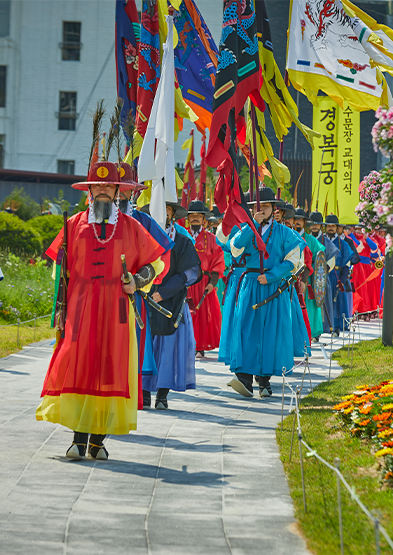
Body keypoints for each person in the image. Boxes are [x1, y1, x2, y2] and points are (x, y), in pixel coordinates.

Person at [36, 161, 165, 460]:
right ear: (90, 191)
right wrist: (60, 310)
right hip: (80, 312)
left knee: (110, 371)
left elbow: (157, 263)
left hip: (116, 312)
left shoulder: (132, 227)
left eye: (109, 186)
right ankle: (78, 438)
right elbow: (60, 272)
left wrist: (137, 281)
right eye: (98, 185)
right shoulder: (73, 225)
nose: (103, 190)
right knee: (78, 367)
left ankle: (98, 441)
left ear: (118, 190)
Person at [227, 187, 304, 398]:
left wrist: (272, 275)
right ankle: (243, 377)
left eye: (266, 206)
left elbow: (294, 261)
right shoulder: (246, 229)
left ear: (274, 209)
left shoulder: (284, 232)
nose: (261, 210)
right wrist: (251, 226)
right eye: (257, 207)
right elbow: (235, 249)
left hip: (271, 287)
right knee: (244, 328)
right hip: (250, 284)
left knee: (269, 331)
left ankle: (264, 380)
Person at [118, 163, 174, 409]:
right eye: (114, 188)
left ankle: (136, 393)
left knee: (133, 348)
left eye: (125, 189)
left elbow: (160, 259)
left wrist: (138, 280)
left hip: (132, 298)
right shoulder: (88, 222)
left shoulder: (143, 222)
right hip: (95, 297)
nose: (119, 194)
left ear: (135, 193)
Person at [141, 201, 201, 409]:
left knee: (168, 350)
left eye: (166, 209)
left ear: (173, 214)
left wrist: (164, 293)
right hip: (145, 300)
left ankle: (163, 395)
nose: (161, 212)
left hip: (172, 302)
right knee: (146, 346)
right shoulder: (142, 238)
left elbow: (190, 273)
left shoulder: (183, 241)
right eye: (158, 208)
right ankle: (144, 393)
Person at [186, 200, 225, 358]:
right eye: (192, 216)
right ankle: (187, 343)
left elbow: (218, 260)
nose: (195, 219)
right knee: (187, 313)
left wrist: (212, 282)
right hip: (186, 281)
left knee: (202, 314)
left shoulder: (211, 238)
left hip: (204, 282)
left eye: (198, 216)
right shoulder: (182, 235)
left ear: (204, 220)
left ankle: (199, 346)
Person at [294, 209, 327, 342]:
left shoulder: (311, 240)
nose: (297, 222)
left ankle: (311, 333)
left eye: (300, 220)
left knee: (309, 306)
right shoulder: (288, 235)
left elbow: (320, 255)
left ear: (304, 222)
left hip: (308, 276)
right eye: (295, 219)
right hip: (291, 275)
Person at [307, 210, 339, 337]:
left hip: (321, 276)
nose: (315, 226)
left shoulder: (326, 242)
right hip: (307, 275)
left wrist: (322, 269)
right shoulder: (306, 239)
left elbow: (331, 260)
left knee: (320, 303)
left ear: (321, 226)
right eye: (312, 223)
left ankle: (318, 332)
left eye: (317, 224)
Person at [325, 214, 354, 334]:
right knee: (323, 302)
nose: (330, 228)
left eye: (333, 226)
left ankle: (336, 327)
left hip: (336, 275)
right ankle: (321, 328)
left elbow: (346, 265)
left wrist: (342, 280)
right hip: (323, 276)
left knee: (336, 301)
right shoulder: (321, 241)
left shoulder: (344, 244)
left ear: (337, 228)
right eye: (328, 226)